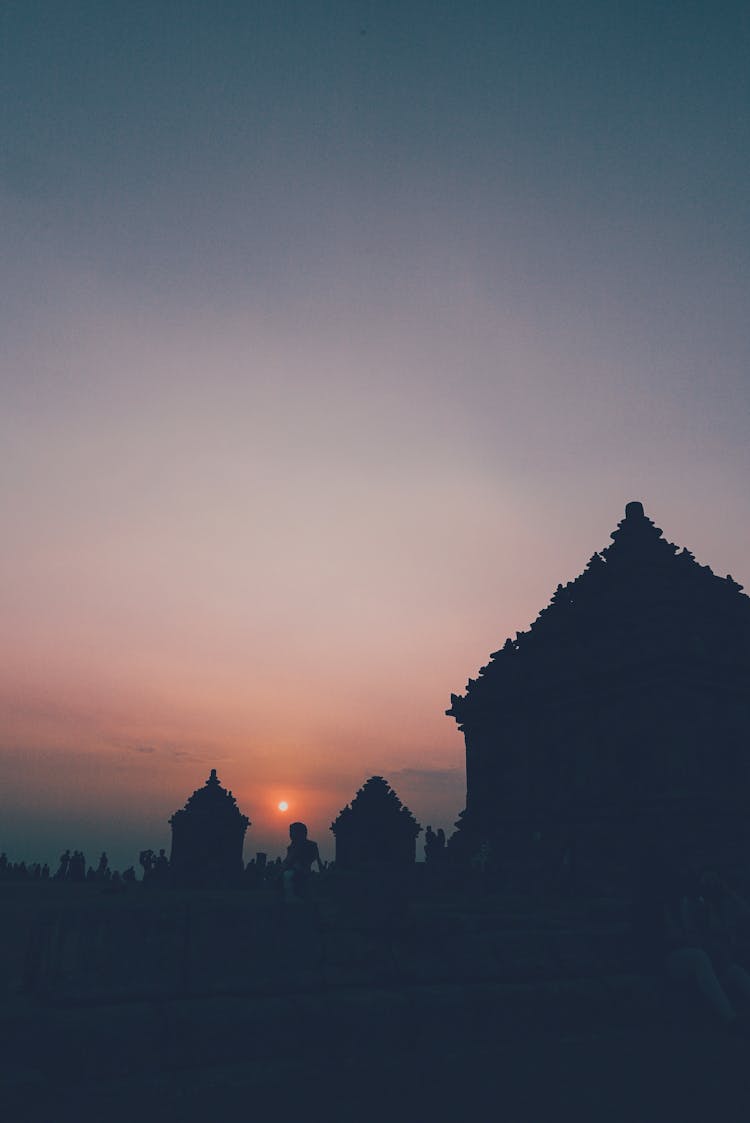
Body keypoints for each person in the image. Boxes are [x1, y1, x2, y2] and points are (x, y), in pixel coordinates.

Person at [637, 848, 750, 1034]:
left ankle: (733, 1016)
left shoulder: (692, 901)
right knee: (698, 957)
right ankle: (731, 1019)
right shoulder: (655, 904)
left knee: (734, 970)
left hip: (697, 954)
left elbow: (742, 914)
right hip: (664, 958)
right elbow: (665, 938)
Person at [281, 822, 323, 903]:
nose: (290, 835)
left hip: (300, 875)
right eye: (290, 832)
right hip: (298, 873)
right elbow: (287, 862)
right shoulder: (292, 847)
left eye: (291, 832)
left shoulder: (310, 845)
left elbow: (288, 862)